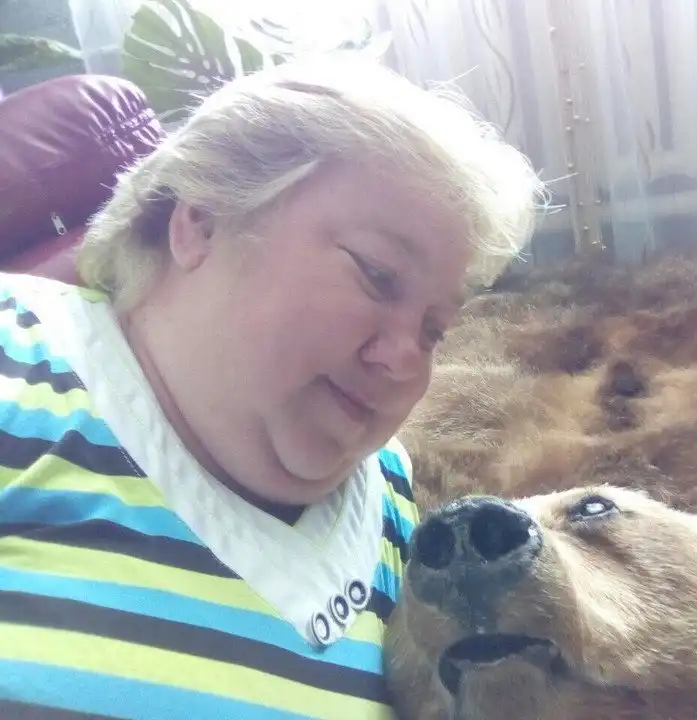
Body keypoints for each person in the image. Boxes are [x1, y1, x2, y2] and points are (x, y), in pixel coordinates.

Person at [0, 53, 544, 719]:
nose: (408, 359)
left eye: (435, 329)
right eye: (377, 274)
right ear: (203, 218)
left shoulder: (395, 498)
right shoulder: (18, 357)